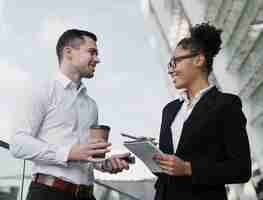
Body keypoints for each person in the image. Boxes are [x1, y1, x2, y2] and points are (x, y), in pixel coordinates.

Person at [10, 29, 129, 200]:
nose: (97, 59)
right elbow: (18, 143)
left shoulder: (91, 105)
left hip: (86, 195)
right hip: (48, 194)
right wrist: (67, 153)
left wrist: (106, 163)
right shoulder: (42, 90)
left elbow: (85, 156)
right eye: (92, 52)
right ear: (68, 52)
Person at [153, 22, 251, 200]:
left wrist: (189, 168)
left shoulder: (226, 105)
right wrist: (153, 158)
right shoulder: (170, 110)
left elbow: (241, 169)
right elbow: (167, 170)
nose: (171, 70)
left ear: (199, 60)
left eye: (176, 61)